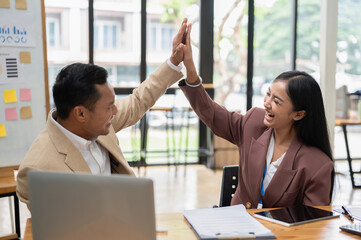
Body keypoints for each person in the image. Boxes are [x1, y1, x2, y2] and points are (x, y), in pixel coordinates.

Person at [17, 19, 190, 209]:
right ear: (80, 114)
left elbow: (138, 101)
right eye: (109, 107)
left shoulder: (97, 123)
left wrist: (174, 61)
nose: (115, 111)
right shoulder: (37, 168)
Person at [178, 24, 334, 209]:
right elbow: (211, 113)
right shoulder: (253, 123)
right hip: (236, 230)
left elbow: (312, 226)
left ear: (298, 114)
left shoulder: (317, 165)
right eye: (268, 94)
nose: (267, 103)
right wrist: (191, 72)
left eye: (277, 101)